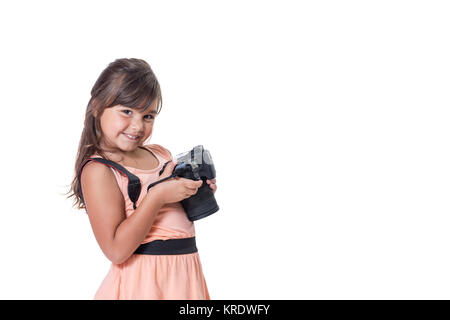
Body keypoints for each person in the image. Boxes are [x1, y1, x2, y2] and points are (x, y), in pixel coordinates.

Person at [67, 58, 217, 299]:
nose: (137, 126)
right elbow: (116, 250)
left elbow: (173, 219)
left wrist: (193, 191)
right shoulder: (99, 170)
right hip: (141, 286)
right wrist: (157, 197)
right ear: (96, 107)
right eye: (126, 111)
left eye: (148, 116)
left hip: (183, 281)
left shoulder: (159, 154)